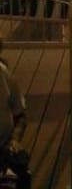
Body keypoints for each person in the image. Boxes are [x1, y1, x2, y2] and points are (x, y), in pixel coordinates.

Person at [0, 43, 30, 189]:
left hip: (4, 148)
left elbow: (21, 116)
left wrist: (14, 140)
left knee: (22, 170)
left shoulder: (3, 73)